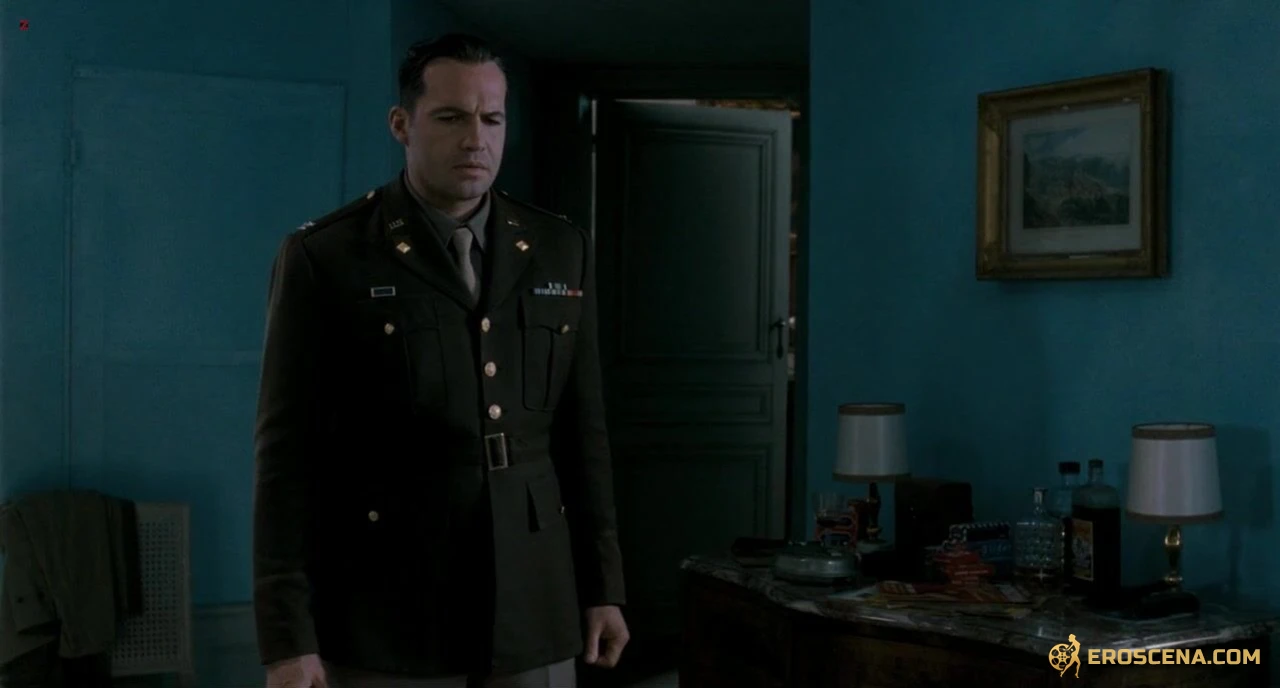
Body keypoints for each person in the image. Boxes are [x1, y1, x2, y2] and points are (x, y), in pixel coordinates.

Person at [252, 32, 628, 688]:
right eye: (451, 117)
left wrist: (603, 588)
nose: (475, 140)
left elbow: (582, 434)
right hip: (389, 606)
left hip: (534, 597)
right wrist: (288, 640)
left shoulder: (559, 247)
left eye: (492, 119)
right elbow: (287, 458)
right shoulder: (328, 256)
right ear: (402, 124)